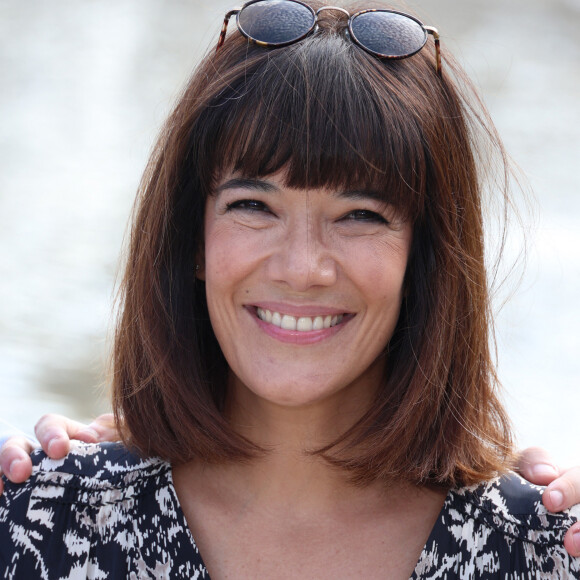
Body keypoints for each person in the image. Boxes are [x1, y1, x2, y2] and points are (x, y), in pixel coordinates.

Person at [1, 0, 579, 577]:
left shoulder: (540, 553)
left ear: (423, 261)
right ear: (192, 241)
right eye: (252, 206)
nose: (302, 268)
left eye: (360, 215)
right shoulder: (40, 520)